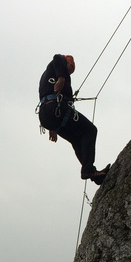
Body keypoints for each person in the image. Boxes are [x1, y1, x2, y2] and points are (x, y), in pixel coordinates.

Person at [37, 54, 109, 184]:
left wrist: (52, 127)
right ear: (68, 63)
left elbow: (48, 97)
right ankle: (88, 170)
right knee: (90, 130)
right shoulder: (58, 65)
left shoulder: (47, 77)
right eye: (70, 69)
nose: (69, 73)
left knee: (77, 139)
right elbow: (57, 57)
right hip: (55, 110)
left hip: (48, 115)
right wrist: (61, 78)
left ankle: (92, 173)